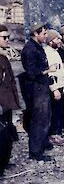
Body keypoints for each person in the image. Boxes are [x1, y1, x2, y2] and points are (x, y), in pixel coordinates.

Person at [21, 22, 57, 161]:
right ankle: (36, 151)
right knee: (39, 119)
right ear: (36, 34)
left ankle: (43, 141)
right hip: (36, 88)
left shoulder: (37, 47)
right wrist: (49, 70)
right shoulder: (29, 49)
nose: (46, 36)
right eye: (44, 33)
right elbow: (31, 72)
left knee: (45, 116)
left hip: (42, 86)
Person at [0, 24, 20, 176]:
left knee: (7, 136)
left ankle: (4, 163)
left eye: (8, 37)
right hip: (0, 104)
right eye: (4, 38)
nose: (8, 40)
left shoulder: (3, 57)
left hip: (6, 104)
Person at [44, 29, 64, 145]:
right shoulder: (48, 53)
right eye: (57, 39)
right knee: (54, 112)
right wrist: (55, 89)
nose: (60, 40)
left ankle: (56, 132)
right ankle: (53, 134)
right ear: (50, 41)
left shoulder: (55, 51)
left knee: (58, 111)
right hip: (55, 88)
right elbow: (50, 73)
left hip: (60, 86)